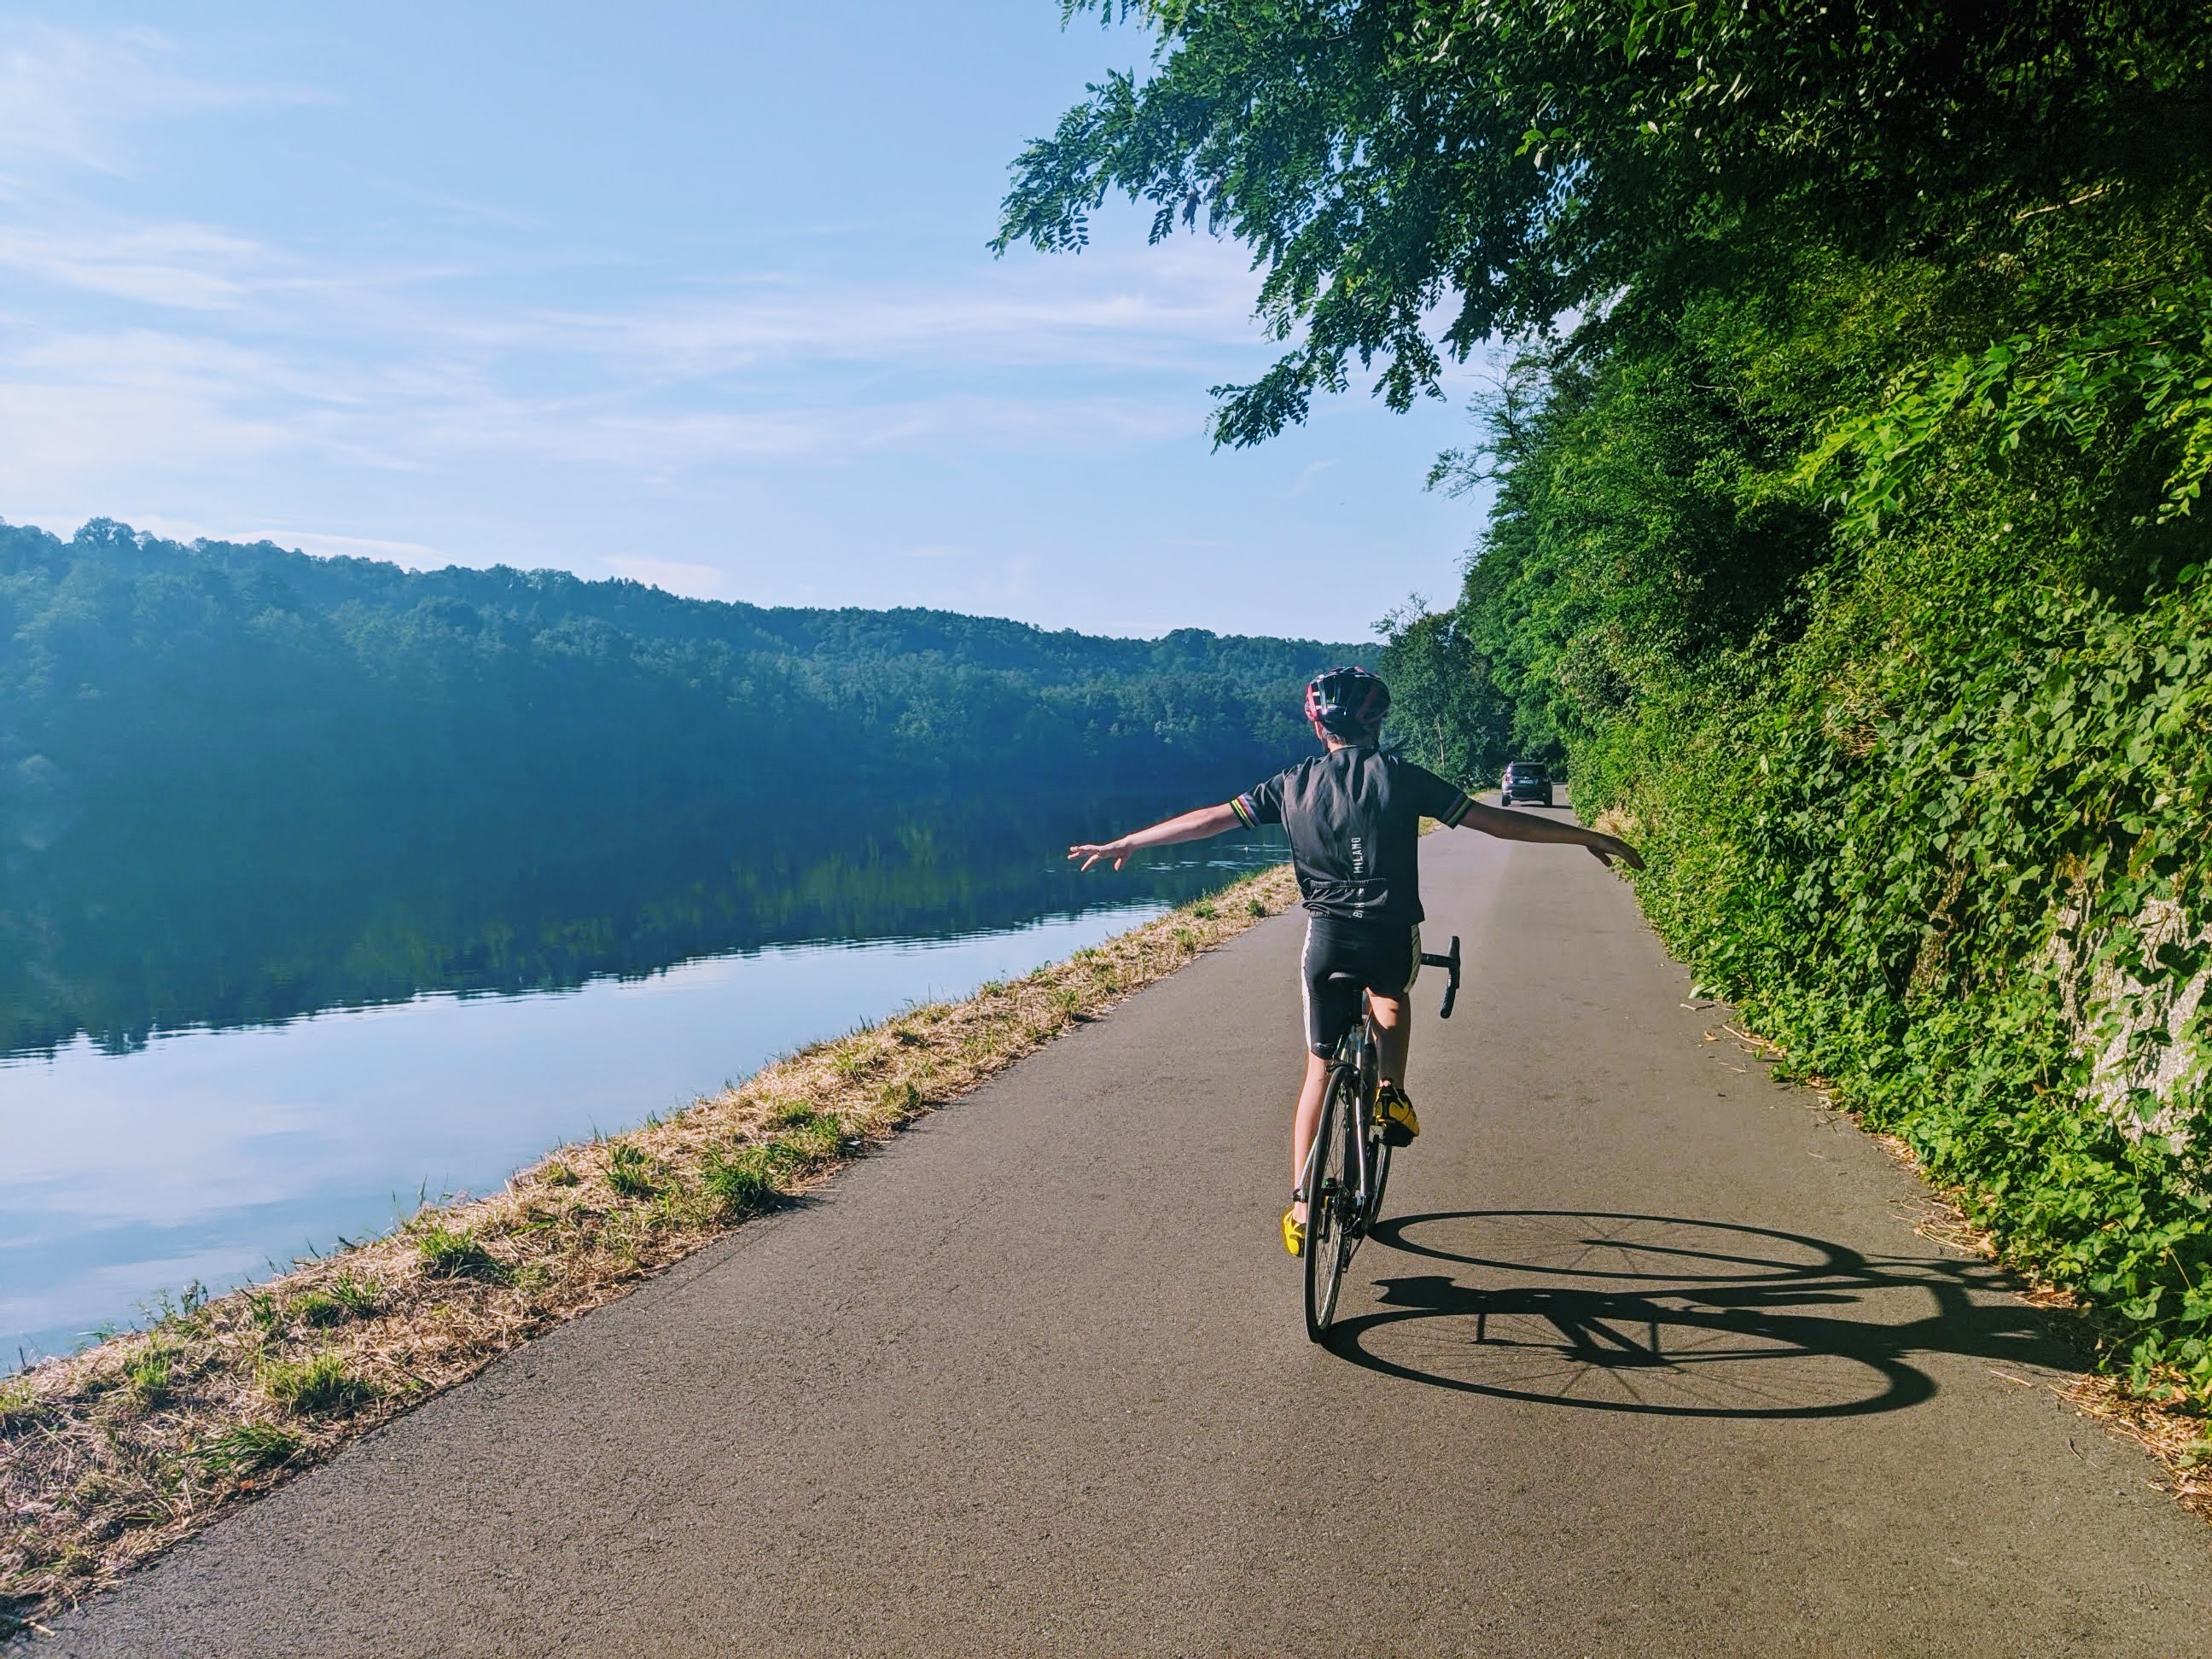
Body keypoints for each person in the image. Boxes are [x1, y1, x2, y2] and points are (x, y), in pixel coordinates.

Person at [1067, 665, 1644, 1257]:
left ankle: (1300, 1206)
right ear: (1377, 722)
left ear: (1318, 727)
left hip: (1327, 940)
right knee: (1391, 997)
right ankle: (1390, 1088)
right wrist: (1587, 837)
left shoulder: (1289, 784)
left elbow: (1211, 819)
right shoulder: (1403, 777)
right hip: (1390, 935)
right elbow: (1496, 822)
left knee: (1318, 1069)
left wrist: (1129, 841)